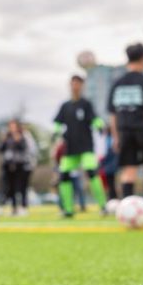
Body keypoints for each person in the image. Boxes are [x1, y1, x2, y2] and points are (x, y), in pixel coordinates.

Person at [108, 42, 143, 208]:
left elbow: (113, 114)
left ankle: (127, 209)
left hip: (124, 131)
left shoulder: (117, 83)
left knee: (128, 171)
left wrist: (115, 137)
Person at [53, 75, 107, 217]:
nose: (75, 86)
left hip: (86, 147)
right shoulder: (65, 106)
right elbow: (58, 122)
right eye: (73, 84)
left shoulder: (86, 104)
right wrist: (56, 131)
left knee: (92, 173)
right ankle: (68, 209)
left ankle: (103, 206)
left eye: (78, 84)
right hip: (70, 148)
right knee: (64, 175)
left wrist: (100, 125)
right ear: (70, 85)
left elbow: (95, 119)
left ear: (82, 86)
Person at [0, 120, 32, 216]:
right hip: (8, 165)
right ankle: (14, 208)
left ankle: (23, 207)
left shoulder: (22, 137)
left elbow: (25, 149)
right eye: (11, 126)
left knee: (21, 187)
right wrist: (3, 140)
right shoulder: (7, 137)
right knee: (11, 187)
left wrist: (18, 141)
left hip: (20, 165)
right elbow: (0, 149)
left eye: (14, 126)